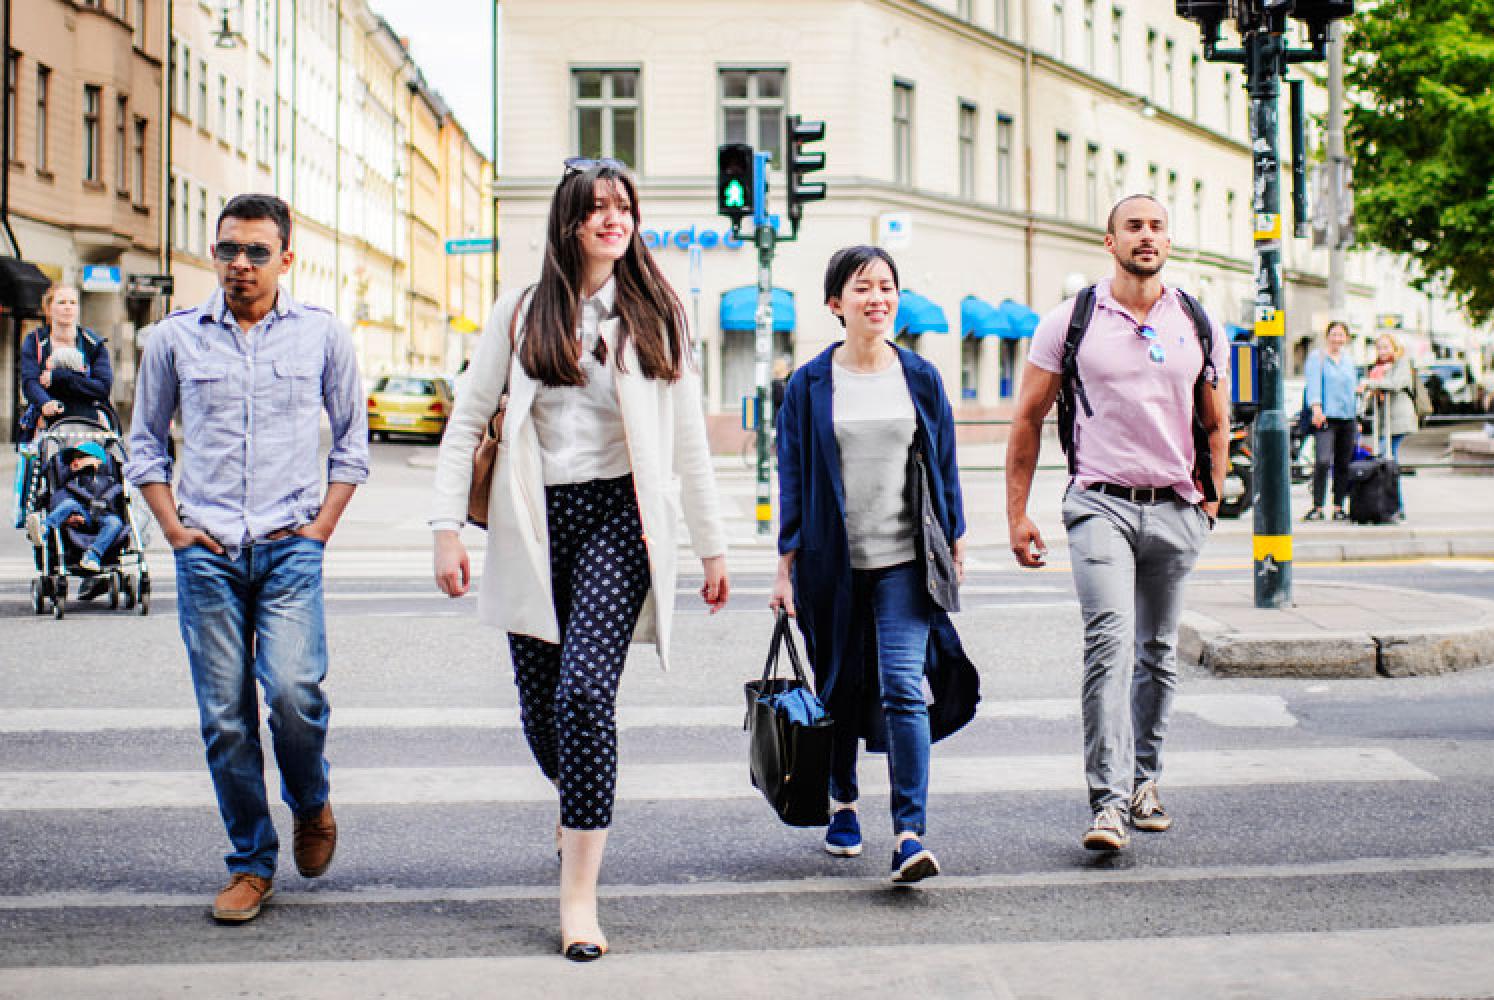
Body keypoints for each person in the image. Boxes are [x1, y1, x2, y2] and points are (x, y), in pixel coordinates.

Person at [430, 158, 729, 960]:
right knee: (542, 713)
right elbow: (465, 423)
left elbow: (688, 443)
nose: (613, 218)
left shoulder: (659, 312)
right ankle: (579, 814)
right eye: (596, 208)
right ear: (568, 223)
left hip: (619, 520)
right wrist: (445, 528)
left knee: (586, 693)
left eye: (623, 205)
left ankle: (579, 898)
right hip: (532, 521)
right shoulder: (522, 311)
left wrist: (711, 547)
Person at [126, 193, 368, 922]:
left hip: (290, 547)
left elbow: (352, 446)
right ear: (214, 253)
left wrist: (319, 530)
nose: (241, 263)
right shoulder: (173, 339)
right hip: (207, 552)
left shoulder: (323, 336)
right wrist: (172, 530)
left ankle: (312, 800)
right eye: (229, 248)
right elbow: (144, 446)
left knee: (295, 697)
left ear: (286, 259)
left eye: (258, 251)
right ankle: (249, 863)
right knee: (225, 720)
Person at [1005, 194, 1229, 852]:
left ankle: (1144, 782)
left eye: (1157, 226)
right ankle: (1105, 805)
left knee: (1157, 653)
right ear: (1110, 242)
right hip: (1099, 503)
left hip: (1175, 507)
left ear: (1169, 239)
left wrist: (1209, 503)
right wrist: (1016, 514)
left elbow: (1215, 420)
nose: (1147, 236)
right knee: (1110, 645)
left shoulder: (1194, 318)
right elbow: (1028, 420)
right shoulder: (1070, 320)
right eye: (1134, 226)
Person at [771, 245, 976, 884]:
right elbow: (795, 477)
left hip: (906, 562)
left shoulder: (919, 376)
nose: (877, 298)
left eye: (886, 286)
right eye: (862, 288)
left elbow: (943, 462)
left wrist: (957, 539)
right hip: (831, 563)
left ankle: (909, 831)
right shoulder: (807, 385)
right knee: (836, 687)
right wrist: (785, 568)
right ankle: (842, 801)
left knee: (902, 687)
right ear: (837, 303)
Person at [19, 282, 114, 437]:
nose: (68, 307)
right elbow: (30, 381)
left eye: (73, 302)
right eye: (61, 302)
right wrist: (45, 403)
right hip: (48, 417)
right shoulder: (35, 341)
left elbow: (102, 388)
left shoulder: (94, 344)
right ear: (48, 309)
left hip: (88, 418)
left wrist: (59, 377)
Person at [1361, 332, 1420, 520]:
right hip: (1384, 423)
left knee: (1388, 459)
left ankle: (1395, 505)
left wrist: (1370, 382)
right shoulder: (1377, 369)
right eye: (1379, 347)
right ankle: (1390, 504)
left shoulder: (1401, 364)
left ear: (1395, 348)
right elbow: (1371, 401)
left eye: (1386, 347)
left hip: (1398, 421)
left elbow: (1395, 384)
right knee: (1387, 461)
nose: (1382, 351)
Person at [43, 441, 126, 573]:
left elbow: (117, 498)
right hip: (82, 514)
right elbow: (60, 497)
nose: (75, 461)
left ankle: (92, 555)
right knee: (68, 503)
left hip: (104, 516)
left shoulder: (110, 481)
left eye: (80, 457)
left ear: (98, 460)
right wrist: (68, 518)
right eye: (73, 459)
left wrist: (106, 502)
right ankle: (44, 528)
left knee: (115, 522)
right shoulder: (73, 480)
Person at [1303, 321, 1358, 520]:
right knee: (1323, 461)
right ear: (1327, 336)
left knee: (1343, 463)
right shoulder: (1317, 358)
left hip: (1347, 417)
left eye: (1341, 335)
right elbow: (1313, 384)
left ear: (1346, 338)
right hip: (1325, 417)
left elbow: (1353, 388)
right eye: (1334, 334)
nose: (1337, 339)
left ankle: (1338, 507)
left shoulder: (1349, 360)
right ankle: (1317, 506)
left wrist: (1356, 414)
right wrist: (1316, 408)